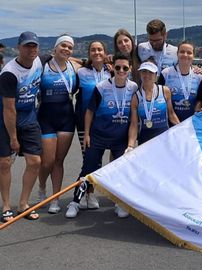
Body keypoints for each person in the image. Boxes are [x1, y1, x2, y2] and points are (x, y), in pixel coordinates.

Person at [65, 53, 137, 219]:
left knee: (121, 171)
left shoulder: (133, 88)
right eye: (117, 67)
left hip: (120, 138)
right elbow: (89, 112)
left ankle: (120, 203)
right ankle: (75, 202)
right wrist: (87, 134)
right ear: (113, 68)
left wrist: (131, 143)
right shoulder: (102, 87)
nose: (121, 71)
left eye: (125, 68)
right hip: (98, 135)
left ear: (130, 69)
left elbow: (134, 118)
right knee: (88, 169)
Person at [0, 32, 43, 222]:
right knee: (4, 163)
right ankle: (7, 205)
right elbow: (9, 109)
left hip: (29, 118)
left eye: (34, 46)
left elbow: (61, 54)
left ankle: (24, 204)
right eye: (27, 46)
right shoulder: (9, 73)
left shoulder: (39, 61)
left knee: (35, 162)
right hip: (6, 119)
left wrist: (86, 63)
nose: (31, 49)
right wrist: (14, 139)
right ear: (19, 47)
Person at [37, 35, 80, 214]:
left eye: (70, 47)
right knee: (47, 161)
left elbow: (92, 65)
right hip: (45, 118)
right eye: (63, 45)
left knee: (59, 161)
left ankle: (55, 199)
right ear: (55, 48)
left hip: (67, 119)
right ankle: (41, 188)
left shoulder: (74, 67)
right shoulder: (42, 66)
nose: (66, 49)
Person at [74, 40, 111, 209]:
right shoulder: (81, 72)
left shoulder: (111, 72)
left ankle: (90, 193)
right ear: (89, 53)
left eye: (100, 49)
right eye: (93, 50)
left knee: (97, 161)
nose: (97, 52)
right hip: (84, 122)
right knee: (88, 160)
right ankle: (84, 195)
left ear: (105, 53)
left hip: (103, 123)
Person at [127, 61, 180, 148]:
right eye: (144, 71)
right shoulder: (136, 98)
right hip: (144, 140)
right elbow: (134, 124)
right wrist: (130, 146)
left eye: (150, 72)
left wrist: (181, 129)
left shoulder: (165, 91)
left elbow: (171, 114)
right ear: (140, 74)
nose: (147, 75)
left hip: (164, 138)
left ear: (156, 76)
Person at [158, 41, 202, 122]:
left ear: (193, 56)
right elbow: (159, 98)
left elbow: (200, 99)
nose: (185, 55)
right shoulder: (165, 73)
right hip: (169, 123)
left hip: (190, 123)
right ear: (177, 54)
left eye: (189, 53)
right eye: (182, 52)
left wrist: (196, 113)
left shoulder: (199, 76)